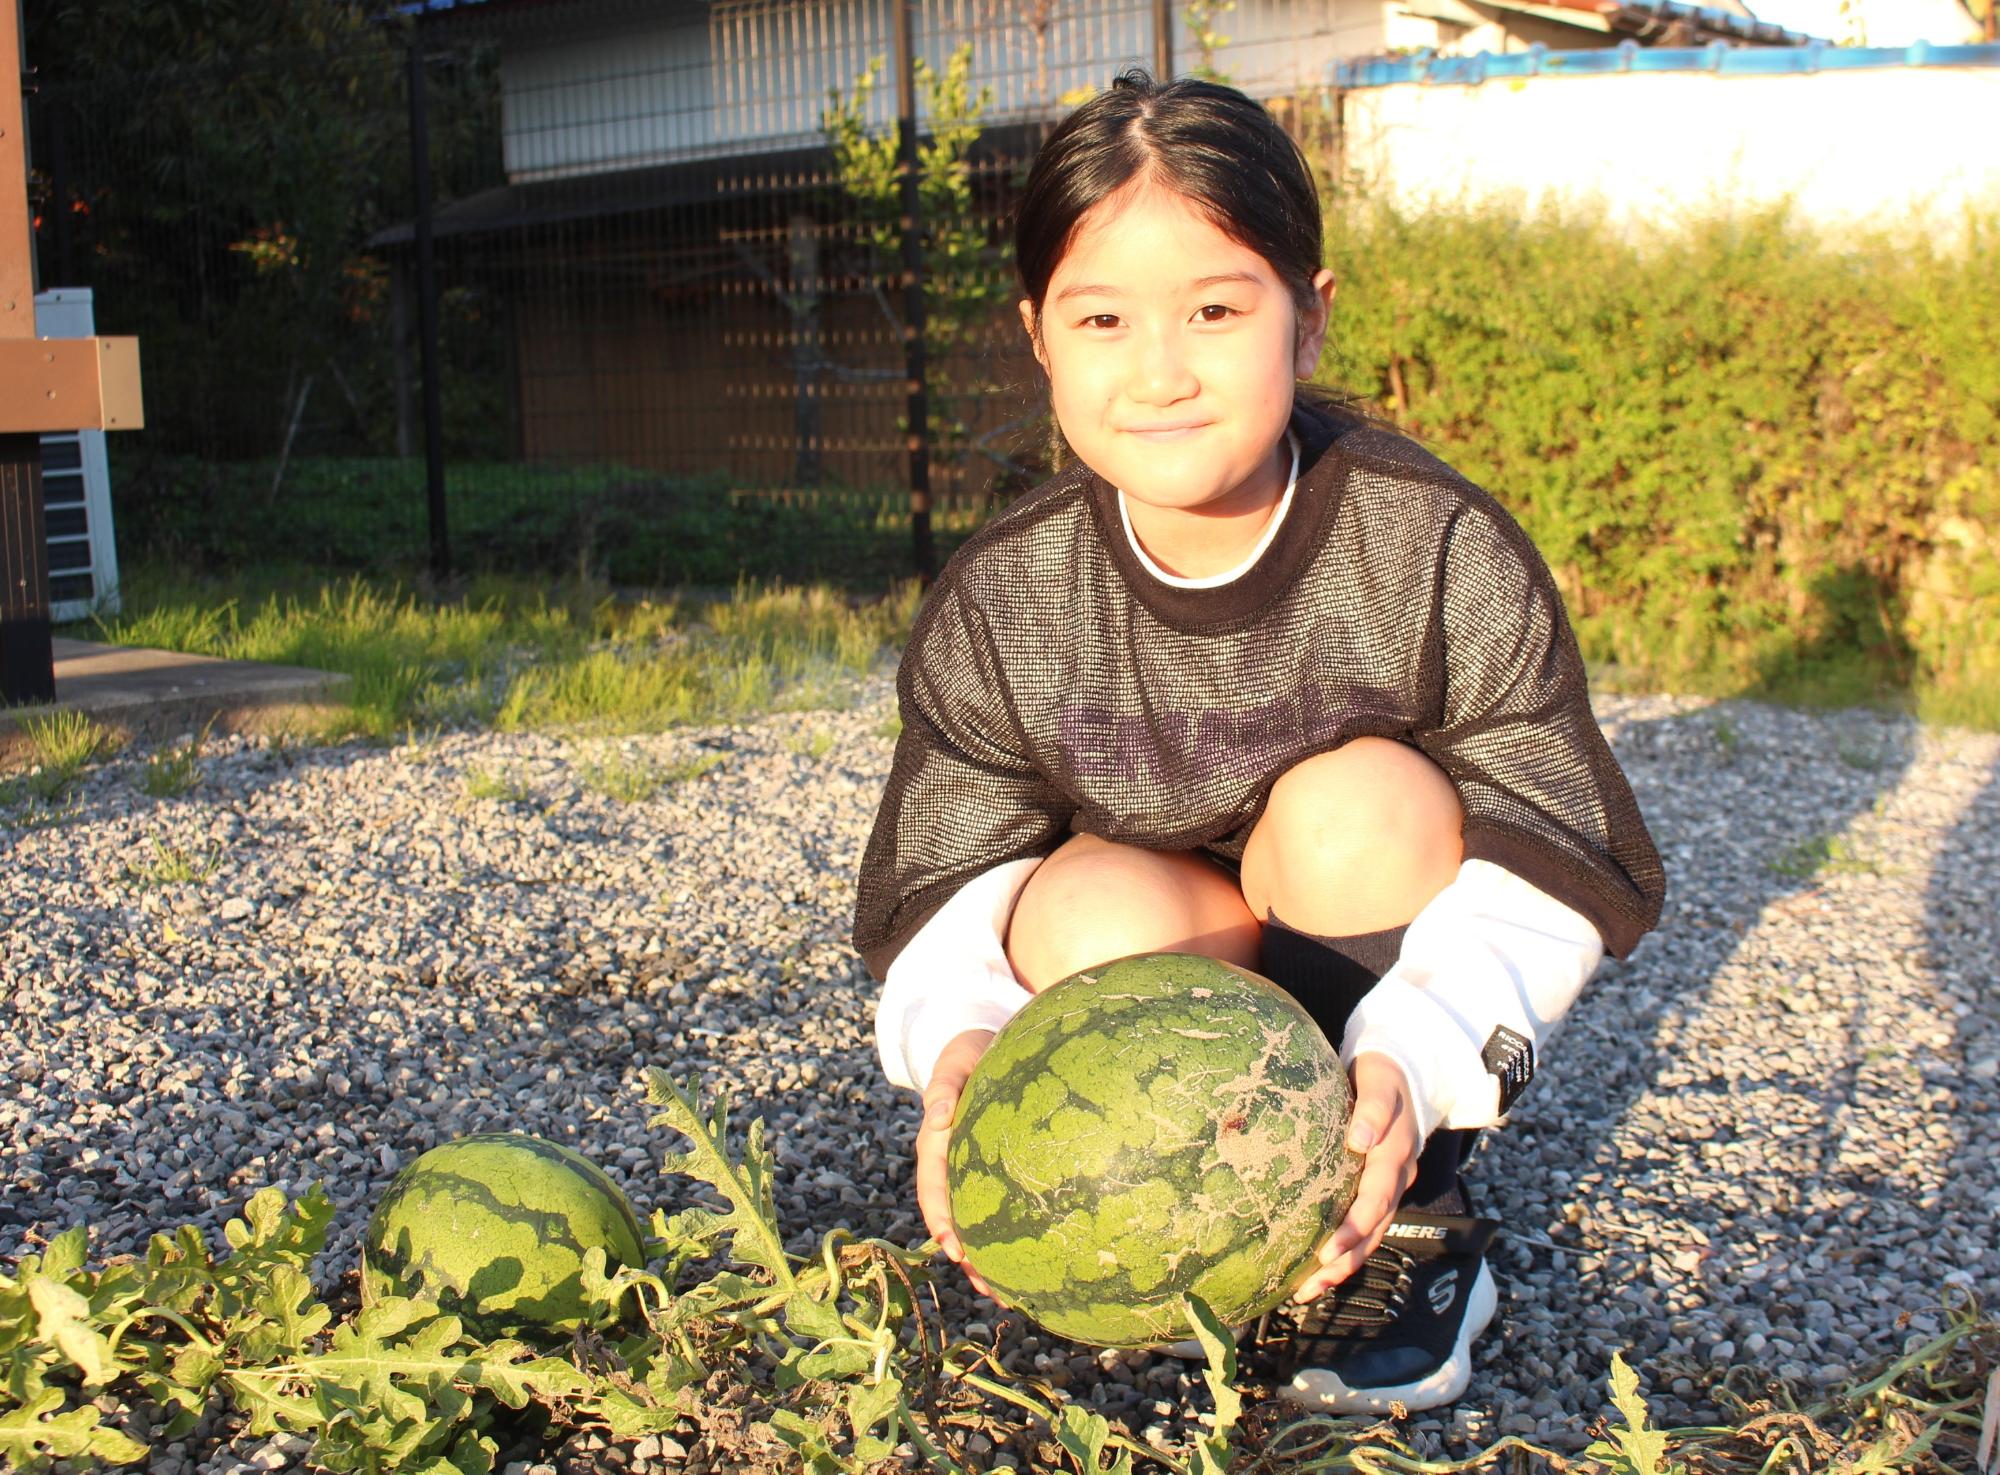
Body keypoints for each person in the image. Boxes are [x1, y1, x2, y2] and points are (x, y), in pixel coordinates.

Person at [849, 70, 1664, 1414]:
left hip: (1348, 895)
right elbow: (945, 868)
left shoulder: (1431, 546)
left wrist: (1423, 1053)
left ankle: (1401, 1218)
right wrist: (964, 1037)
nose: (1160, 371)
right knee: (1090, 904)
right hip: (1172, 931)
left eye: (1217, 312)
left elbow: (1557, 838)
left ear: (1309, 316)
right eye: (1101, 319)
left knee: (1364, 810)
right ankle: (1184, 1218)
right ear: (1039, 338)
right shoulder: (1005, 594)